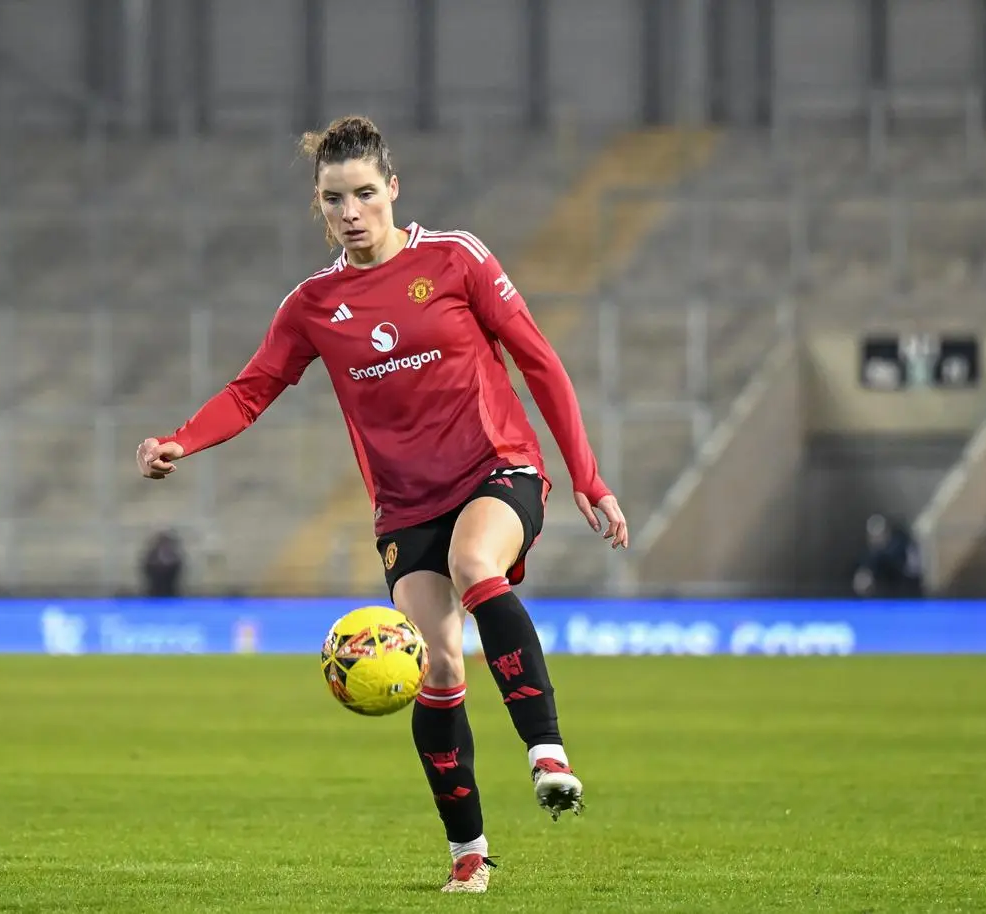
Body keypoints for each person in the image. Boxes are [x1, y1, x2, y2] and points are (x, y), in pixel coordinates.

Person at [136, 115, 628, 894]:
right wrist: (182, 441)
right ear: (320, 205)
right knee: (435, 663)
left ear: (393, 189)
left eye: (366, 192)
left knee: (476, 563)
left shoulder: (457, 259)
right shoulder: (313, 304)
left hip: (497, 468)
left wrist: (587, 475)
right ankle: (469, 855)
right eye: (336, 199)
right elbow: (253, 388)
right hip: (405, 510)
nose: (352, 211)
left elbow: (539, 361)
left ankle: (546, 751)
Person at [852, 513, 923, 598]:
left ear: (887, 533)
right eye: (873, 537)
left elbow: (913, 571)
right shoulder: (868, 557)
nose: (876, 539)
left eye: (880, 535)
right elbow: (862, 580)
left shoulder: (901, 546)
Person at [141, 529, 185, 597]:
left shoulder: (173, 555)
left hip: (170, 590)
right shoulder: (153, 555)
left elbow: (176, 568)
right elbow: (148, 567)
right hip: (155, 590)